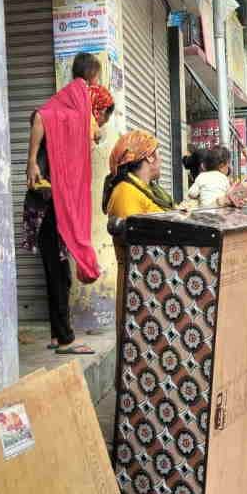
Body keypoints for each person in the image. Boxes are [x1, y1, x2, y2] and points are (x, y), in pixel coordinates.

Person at [23, 52, 110, 355]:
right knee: (59, 273)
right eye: (96, 79)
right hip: (49, 203)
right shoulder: (70, 103)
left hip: (47, 201)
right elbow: (40, 117)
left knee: (53, 270)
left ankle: (56, 334)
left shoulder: (72, 106)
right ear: (91, 77)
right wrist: (32, 161)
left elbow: (92, 133)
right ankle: (66, 340)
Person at [103, 130, 175, 357]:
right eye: (159, 154)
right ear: (149, 157)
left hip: (154, 284)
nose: (162, 159)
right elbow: (138, 245)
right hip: (139, 288)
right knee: (138, 354)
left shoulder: (149, 190)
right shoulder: (125, 192)